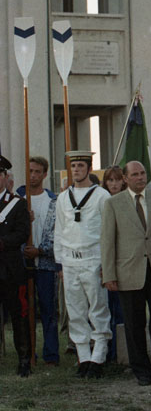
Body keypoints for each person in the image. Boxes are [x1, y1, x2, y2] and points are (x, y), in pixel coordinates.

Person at [101, 161, 151, 386]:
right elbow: (107, 242)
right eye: (135, 174)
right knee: (134, 324)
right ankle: (142, 371)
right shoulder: (113, 204)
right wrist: (109, 274)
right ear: (125, 178)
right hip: (128, 272)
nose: (140, 177)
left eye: (143, 173)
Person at [54, 150, 111, 379]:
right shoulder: (62, 198)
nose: (76, 169)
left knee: (98, 308)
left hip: (93, 258)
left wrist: (106, 263)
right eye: (73, 166)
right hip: (70, 260)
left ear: (89, 168)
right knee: (75, 310)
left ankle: (99, 357)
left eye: (80, 165)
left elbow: (107, 232)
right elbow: (59, 231)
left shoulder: (102, 196)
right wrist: (60, 263)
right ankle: (83, 357)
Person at [17, 156, 60, 366]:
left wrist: (41, 251)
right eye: (30, 171)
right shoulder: (18, 200)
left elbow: (58, 233)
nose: (33, 175)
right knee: (25, 310)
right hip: (22, 264)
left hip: (45, 264)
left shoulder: (53, 201)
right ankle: (28, 352)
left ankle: (51, 354)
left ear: (45, 174)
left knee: (48, 309)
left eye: (37, 172)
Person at [0, 154, 31, 376]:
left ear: (5, 177)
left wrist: (2, 242)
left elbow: (22, 232)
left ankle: (24, 360)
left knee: (19, 314)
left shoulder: (17, 204)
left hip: (10, 269)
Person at [101, 166, 126, 362]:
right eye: (110, 180)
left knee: (123, 310)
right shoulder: (102, 201)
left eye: (117, 180)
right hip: (106, 261)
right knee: (106, 309)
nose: (114, 184)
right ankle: (109, 351)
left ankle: (122, 351)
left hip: (125, 262)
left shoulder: (127, 201)